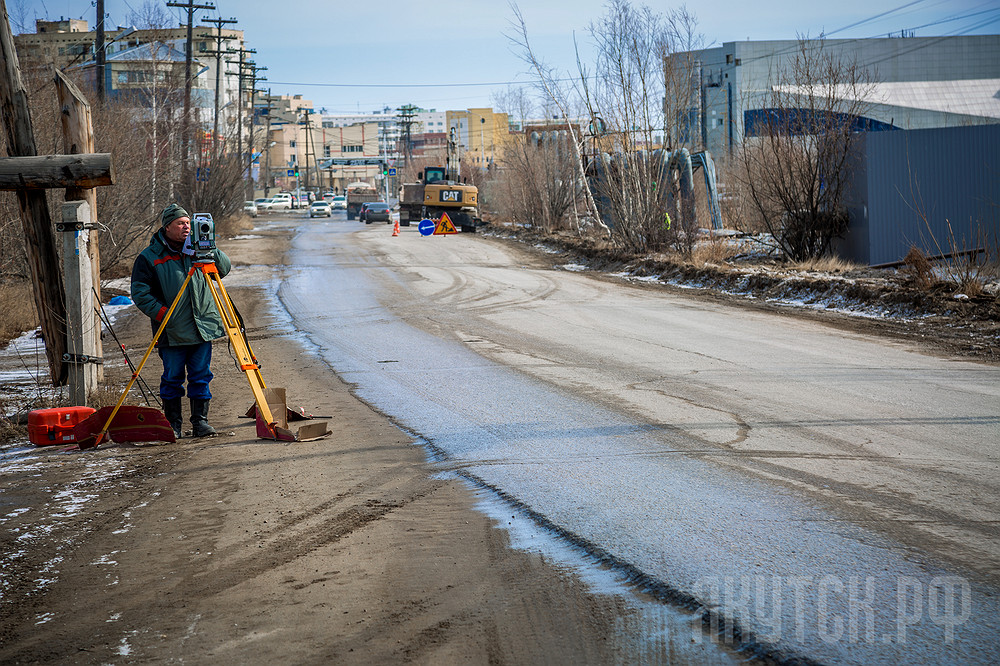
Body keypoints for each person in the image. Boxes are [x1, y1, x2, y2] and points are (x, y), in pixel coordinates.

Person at [131, 203, 231, 439]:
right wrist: (164, 314)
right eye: (180, 223)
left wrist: (209, 247)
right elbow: (140, 293)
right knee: (172, 378)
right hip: (171, 330)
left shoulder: (198, 250)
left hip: (202, 327)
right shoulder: (149, 257)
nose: (187, 227)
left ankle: (200, 422)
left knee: (200, 375)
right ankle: (173, 424)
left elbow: (224, 269)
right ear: (167, 227)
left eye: (189, 223)